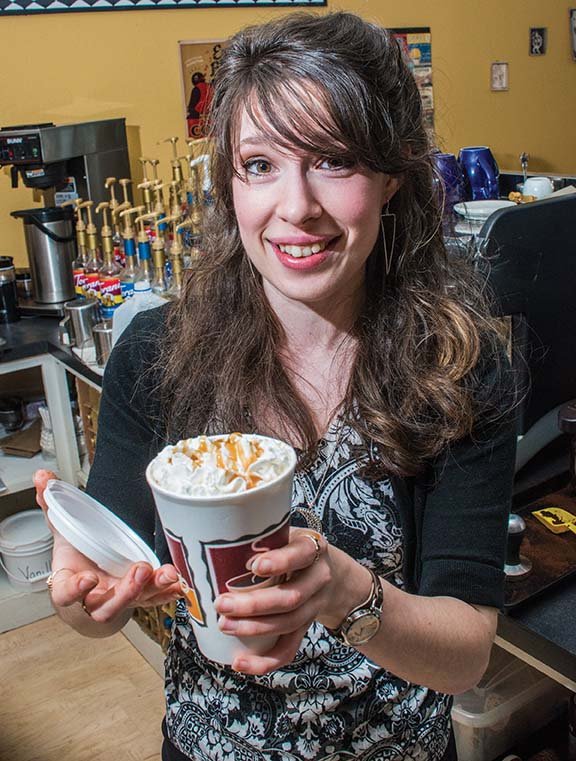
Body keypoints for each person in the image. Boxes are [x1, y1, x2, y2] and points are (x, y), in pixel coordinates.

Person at [36, 11, 517, 761]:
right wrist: (86, 600)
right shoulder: (158, 355)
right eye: (260, 165)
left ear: (392, 175)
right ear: (229, 185)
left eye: (332, 160)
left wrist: (346, 593)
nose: (296, 206)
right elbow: (102, 586)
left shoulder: (457, 365)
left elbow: (466, 655)